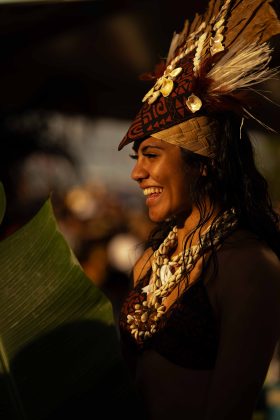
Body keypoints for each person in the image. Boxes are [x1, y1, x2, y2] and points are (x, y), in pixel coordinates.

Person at [117, 0, 280, 419]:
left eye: (150, 154)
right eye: (137, 157)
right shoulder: (149, 263)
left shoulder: (248, 265)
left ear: (203, 162)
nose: (137, 173)